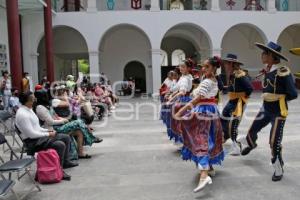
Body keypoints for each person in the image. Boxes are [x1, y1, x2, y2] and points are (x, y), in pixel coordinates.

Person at [240, 42, 298, 182]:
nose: (262, 55)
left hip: (278, 111)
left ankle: (278, 167)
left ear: (272, 56)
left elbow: (293, 93)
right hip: (265, 108)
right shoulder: (268, 69)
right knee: (252, 129)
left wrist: (280, 99)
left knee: (274, 141)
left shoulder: (283, 71)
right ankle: (251, 143)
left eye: (264, 53)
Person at [175, 56, 224, 192]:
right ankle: (209, 168)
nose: (203, 69)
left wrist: (181, 112)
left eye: (207, 67)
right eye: (203, 66)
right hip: (209, 110)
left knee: (200, 140)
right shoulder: (209, 79)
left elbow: (197, 99)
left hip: (204, 111)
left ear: (214, 68)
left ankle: (204, 175)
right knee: (207, 139)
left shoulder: (208, 81)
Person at [15, 92, 78, 181]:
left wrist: (47, 131)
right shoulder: (23, 114)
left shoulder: (29, 109)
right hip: (33, 142)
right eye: (33, 98)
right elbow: (31, 135)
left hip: (38, 138)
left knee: (65, 138)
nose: (35, 99)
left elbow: (37, 128)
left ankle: (65, 162)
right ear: (29, 100)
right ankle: (59, 170)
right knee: (60, 144)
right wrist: (48, 134)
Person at [34, 89, 95, 159]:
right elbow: (50, 122)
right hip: (52, 129)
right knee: (79, 122)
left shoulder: (46, 105)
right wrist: (63, 121)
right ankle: (91, 137)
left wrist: (62, 119)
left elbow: (55, 116)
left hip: (58, 125)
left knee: (79, 131)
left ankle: (80, 153)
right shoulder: (40, 107)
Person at [221, 54, 253, 155]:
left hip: (238, 102)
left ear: (231, 64)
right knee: (223, 117)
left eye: (226, 63)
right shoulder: (232, 74)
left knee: (233, 124)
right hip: (232, 100)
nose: (225, 65)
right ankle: (225, 136)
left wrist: (242, 99)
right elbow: (233, 87)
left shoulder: (240, 75)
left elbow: (249, 89)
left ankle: (236, 146)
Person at [167, 59, 194, 143]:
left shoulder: (185, 78)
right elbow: (176, 89)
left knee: (181, 122)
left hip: (184, 101)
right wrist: (171, 94)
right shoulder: (184, 77)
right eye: (180, 66)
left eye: (183, 67)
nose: (180, 68)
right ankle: (184, 140)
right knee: (180, 121)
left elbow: (182, 92)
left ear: (188, 68)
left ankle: (185, 141)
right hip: (183, 99)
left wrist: (171, 99)